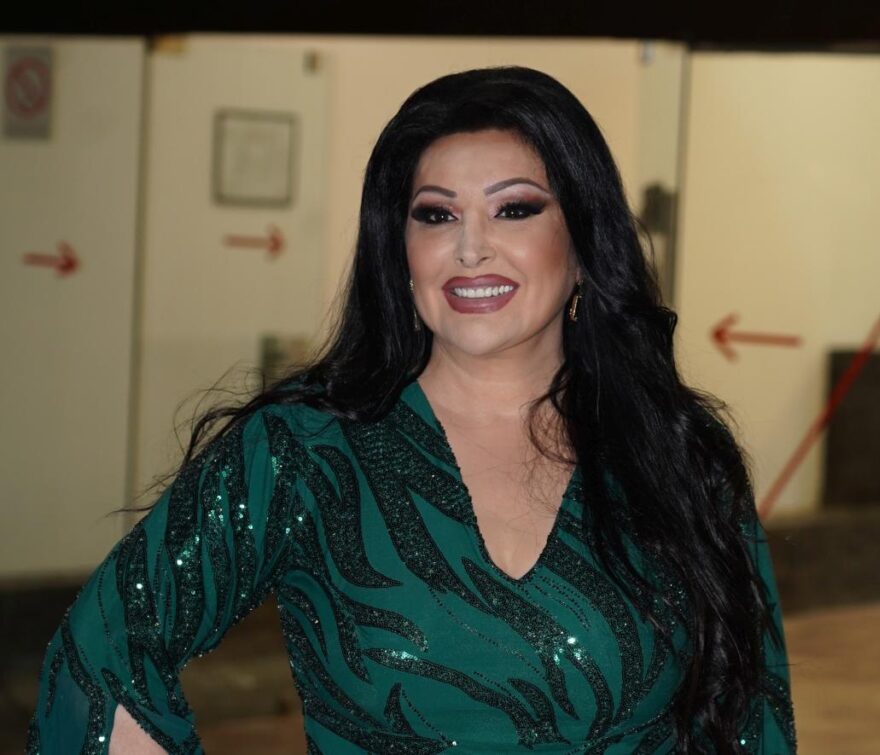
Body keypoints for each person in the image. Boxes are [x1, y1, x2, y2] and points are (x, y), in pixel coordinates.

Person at [26, 65, 796, 754]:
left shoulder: (677, 454)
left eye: (514, 209)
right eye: (436, 215)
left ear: (584, 242)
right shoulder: (306, 450)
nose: (470, 248)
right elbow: (101, 654)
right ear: (399, 250)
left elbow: (748, 713)